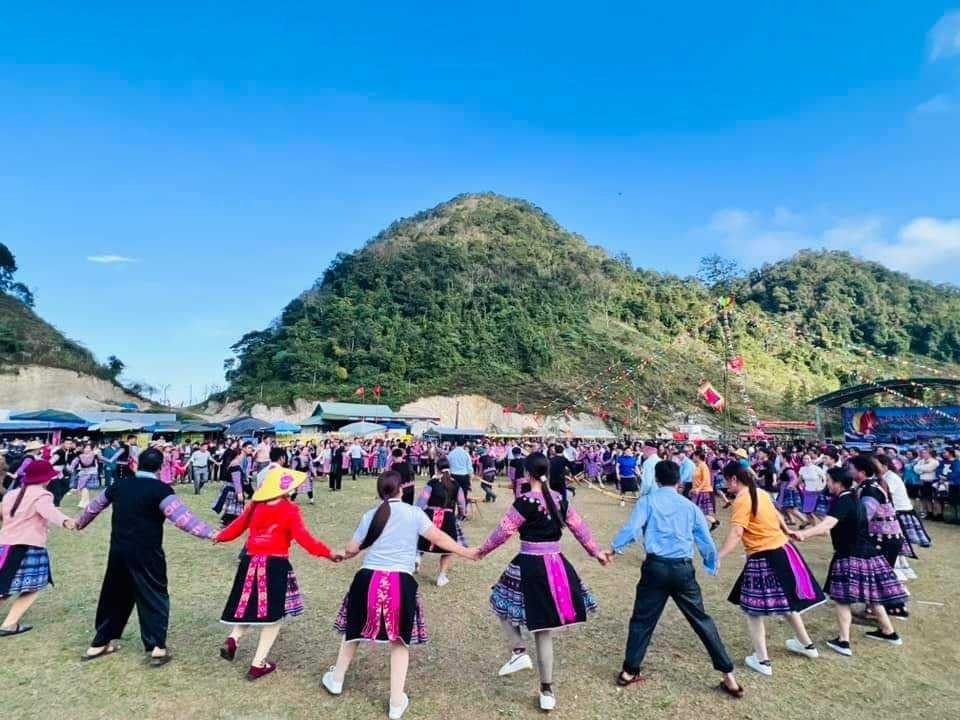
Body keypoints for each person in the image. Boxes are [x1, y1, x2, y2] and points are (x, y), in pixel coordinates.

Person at [323, 471, 476, 720]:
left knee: (353, 632)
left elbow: (352, 549)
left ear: (379, 491)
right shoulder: (414, 514)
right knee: (399, 641)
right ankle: (396, 703)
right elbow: (439, 538)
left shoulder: (371, 515)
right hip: (400, 582)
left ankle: (336, 679)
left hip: (367, 579)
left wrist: (339, 554)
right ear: (401, 490)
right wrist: (466, 552)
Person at [476, 452, 607, 712]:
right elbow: (581, 529)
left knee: (498, 603)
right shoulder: (560, 500)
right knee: (544, 629)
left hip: (529, 564)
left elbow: (502, 532)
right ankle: (546, 690)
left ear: (527, 473)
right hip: (556, 565)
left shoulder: (524, 501)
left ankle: (518, 651)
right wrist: (597, 552)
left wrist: (481, 551)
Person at [610, 461, 743, 698]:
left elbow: (632, 529)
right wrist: (711, 562)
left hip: (655, 568)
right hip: (682, 570)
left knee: (642, 620)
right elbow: (704, 538)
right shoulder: (690, 507)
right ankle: (729, 677)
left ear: (657, 479)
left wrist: (613, 550)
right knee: (701, 620)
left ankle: (629, 671)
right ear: (679, 481)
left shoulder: (648, 501)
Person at [75, 448, 216, 665]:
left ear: (135, 464)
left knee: (113, 596)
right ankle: (157, 647)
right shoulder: (161, 490)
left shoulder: (120, 484)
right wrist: (211, 533)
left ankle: (99, 644)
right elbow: (182, 519)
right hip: (148, 553)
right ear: (160, 467)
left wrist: (79, 523)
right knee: (153, 596)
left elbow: (94, 507)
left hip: (119, 551)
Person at [215, 466, 340, 679]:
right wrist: (328, 553)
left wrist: (220, 536)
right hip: (275, 565)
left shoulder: (255, 505)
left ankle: (233, 639)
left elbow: (237, 526)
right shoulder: (290, 510)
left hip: (250, 561)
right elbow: (305, 540)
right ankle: (258, 663)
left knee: (248, 605)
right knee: (273, 617)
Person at [718, 463, 824, 676]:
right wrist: (788, 531)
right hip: (782, 549)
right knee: (786, 602)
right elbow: (776, 515)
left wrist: (718, 556)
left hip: (763, 555)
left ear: (733, 480)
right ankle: (806, 644)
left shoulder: (742, 499)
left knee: (753, 609)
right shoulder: (761, 492)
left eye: (726, 480)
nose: (725, 485)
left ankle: (762, 659)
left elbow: (737, 532)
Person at [792, 467, 907, 655]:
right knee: (873, 594)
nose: (827, 484)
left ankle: (844, 642)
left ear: (837, 482)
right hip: (867, 552)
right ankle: (889, 632)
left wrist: (802, 534)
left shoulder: (843, 500)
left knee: (842, 599)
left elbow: (827, 526)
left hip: (850, 554)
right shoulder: (854, 497)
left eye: (828, 480)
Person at [0, 460, 76, 636]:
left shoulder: (12, 494)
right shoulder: (42, 495)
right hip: (27, 546)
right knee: (32, 586)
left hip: (4, 545)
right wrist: (66, 521)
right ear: (46, 479)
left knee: (4, 587)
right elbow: (50, 512)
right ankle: (9, 624)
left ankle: (10, 624)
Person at [415, 457, 468, 587]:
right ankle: (441, 577)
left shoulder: (432, 483)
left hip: (430, 516)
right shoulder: (456, 485)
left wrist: (419, 514)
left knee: (422, 540)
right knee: (447, 549)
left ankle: (417, 557)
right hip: (448, 518)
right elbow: (461, 504)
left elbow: (422, 501)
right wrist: (461, 515)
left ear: (437, 468)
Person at [690, 449, 718, 530]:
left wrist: (698, 489)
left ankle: (710, 523)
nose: (693, 457)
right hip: (698, 491)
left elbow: (705, 479)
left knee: (699, 511)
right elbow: (696, 480)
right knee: (698, 510)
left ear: (698, 456)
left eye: (694, 456)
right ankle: (713, 522)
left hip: (703, 492)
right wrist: (693, 489)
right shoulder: (698, 466)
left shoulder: (703, 466)